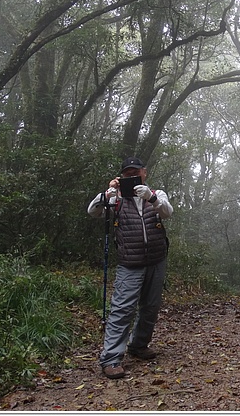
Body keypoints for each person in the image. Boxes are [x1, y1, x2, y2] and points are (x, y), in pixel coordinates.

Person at [87, 156, 173, 379]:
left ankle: (138, 345)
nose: (132, 177)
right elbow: (93, 212)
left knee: (150, 307)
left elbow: (167, 212)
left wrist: (151, 197)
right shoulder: (116, 199)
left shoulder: (156, 194)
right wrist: (108, 192)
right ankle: (111, 358)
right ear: (122, 176)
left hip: (156, 259)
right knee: (123, 309)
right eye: (127, 174)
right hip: (130, 263)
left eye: (136, 173)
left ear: (144, 172)